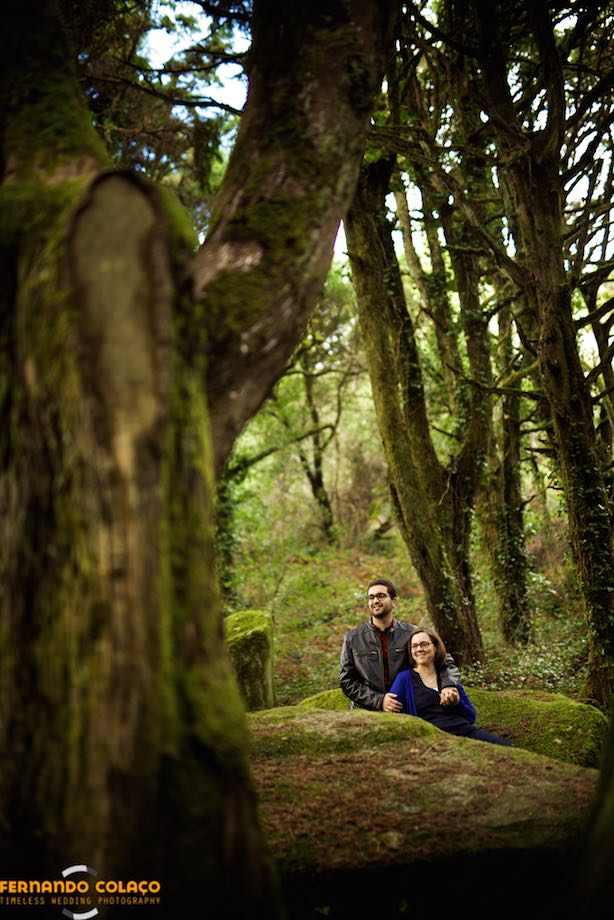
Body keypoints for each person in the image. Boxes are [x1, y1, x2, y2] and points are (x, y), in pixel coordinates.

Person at [339, 579, 461, 712]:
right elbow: (347, 680)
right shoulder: (353, 638)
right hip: (366, 711)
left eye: (381, 596)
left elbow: (444, 661)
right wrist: (379, 700)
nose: (375, 601)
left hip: (407, 707)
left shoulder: (412, 634)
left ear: (393, 601)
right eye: (371, 597)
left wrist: (448, 685)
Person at [389, 626, 511, 746]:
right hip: (434, 739)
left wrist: (457, 702)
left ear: (435, 647)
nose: (419, 649)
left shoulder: (447, 676)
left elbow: (471, 716)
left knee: (508, 750)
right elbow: (393, 713)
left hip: (466, 732)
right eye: (414, 646)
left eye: (424, 644)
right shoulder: (404, 678)